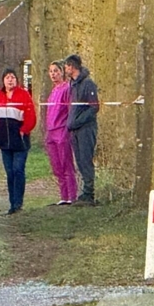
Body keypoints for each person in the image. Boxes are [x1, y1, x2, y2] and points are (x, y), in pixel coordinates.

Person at [0, 68, 36, 215]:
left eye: (13, 77)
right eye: (7, 77)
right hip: (4, 140)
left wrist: (24, 130)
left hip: (20, 140)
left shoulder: (24, 95)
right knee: (9, 172)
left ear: (17, 80)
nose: (10, 80)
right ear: (3, 80)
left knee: (18, 169)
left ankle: (18, 202)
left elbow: (31, 115)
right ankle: (12, 202)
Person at [63, 54, 99, 205]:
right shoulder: (72, 85)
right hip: (75, 130)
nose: (65, 69)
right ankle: (85, 192)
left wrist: (78, 121)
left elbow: (94, 107)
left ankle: (89, 193)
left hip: (85, 129)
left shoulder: (88, 84)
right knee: (79, 160)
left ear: (72, 67)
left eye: (66, 66)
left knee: (85, 160)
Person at [45, 61, 77, 205]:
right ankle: (63, 196)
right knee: (56, 165)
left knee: (66, 164)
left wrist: (67, 128)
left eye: (56, 71)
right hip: (51, 131)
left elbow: (70, 110)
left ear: (61, 72)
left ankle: (72, 195)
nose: (53, 74)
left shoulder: (66, 88)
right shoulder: (53, 90)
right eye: (51, 71)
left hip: (62, 130)